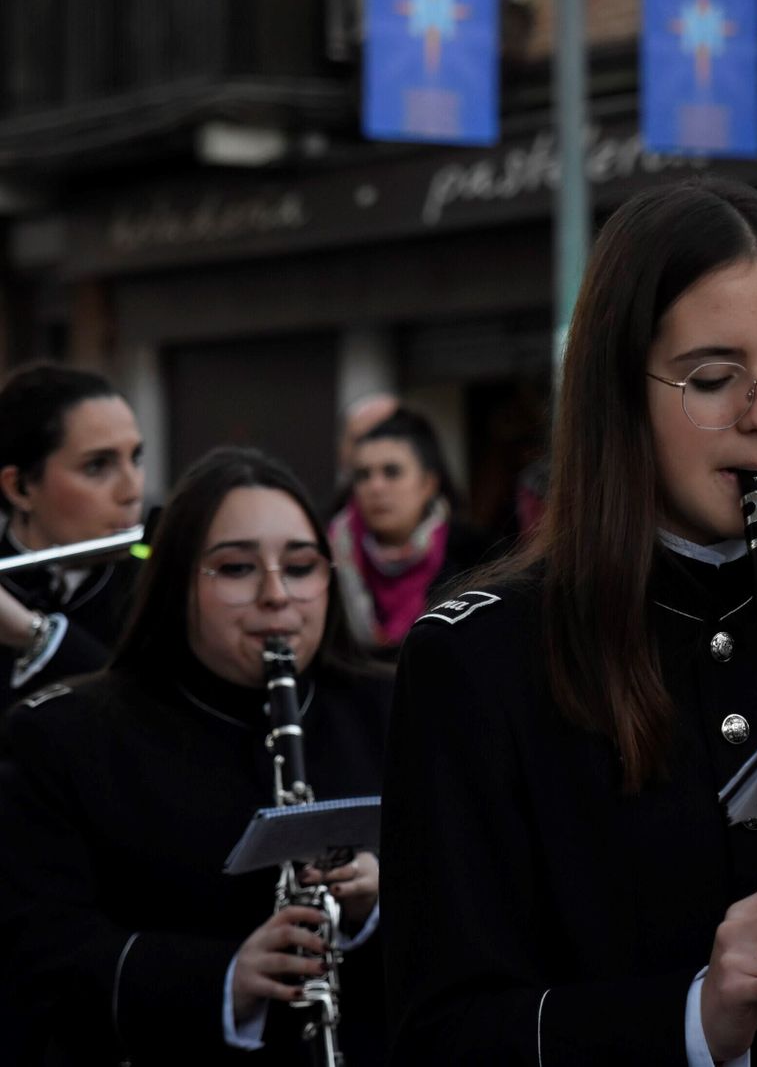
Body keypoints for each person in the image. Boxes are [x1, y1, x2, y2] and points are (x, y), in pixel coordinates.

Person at [381, 177, 757, 1065]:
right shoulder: (479, 658)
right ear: (617, 390)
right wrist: (696, 1022)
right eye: (713, 379)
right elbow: (442, 1032)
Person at [0, 447, 391, 1064]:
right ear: (177, 583)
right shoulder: (67, 736)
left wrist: (376, 902)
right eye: (235, 569)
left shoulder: (390, 711)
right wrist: (224, 979)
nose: (275, 595)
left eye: (301, 566)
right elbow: (40, 952)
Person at [0, 363, 145, 702]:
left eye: (135, 459)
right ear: (19, 488)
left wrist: (38, 636)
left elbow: (151, 724)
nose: (131, 490)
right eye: (98, 466)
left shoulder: (163, 591)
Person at [328, 408, 494, 654]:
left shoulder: (479, 561)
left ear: (428, 484)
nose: (375, 487)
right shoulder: (327, 558)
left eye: (392, 472)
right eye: (363, 475)